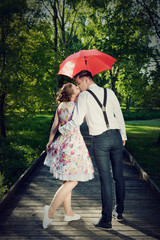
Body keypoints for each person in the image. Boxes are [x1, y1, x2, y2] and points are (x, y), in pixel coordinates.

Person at [58, 70, 127, 230]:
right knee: (118, 176)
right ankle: (120, 212)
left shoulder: (84, 96)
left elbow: (76, 120)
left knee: (106, 179)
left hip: (100, 140)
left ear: (86, 80)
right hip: (116, 137)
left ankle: (106, 220)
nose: (78, 86)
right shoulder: (109, 92)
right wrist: (123, 136)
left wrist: (62, 130)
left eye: (78, 82)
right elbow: (120, 115)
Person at [43, 83, 94, 229]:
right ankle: (50, 211)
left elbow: (55, 125)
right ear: (72, 93)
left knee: (67, 180)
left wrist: (50, 142)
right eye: (76, 87)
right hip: (74, 144)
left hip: (61, 144)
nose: (79, 87)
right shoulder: (77, 106)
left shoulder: (61, 107)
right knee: (74, 179)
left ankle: (69, 213)